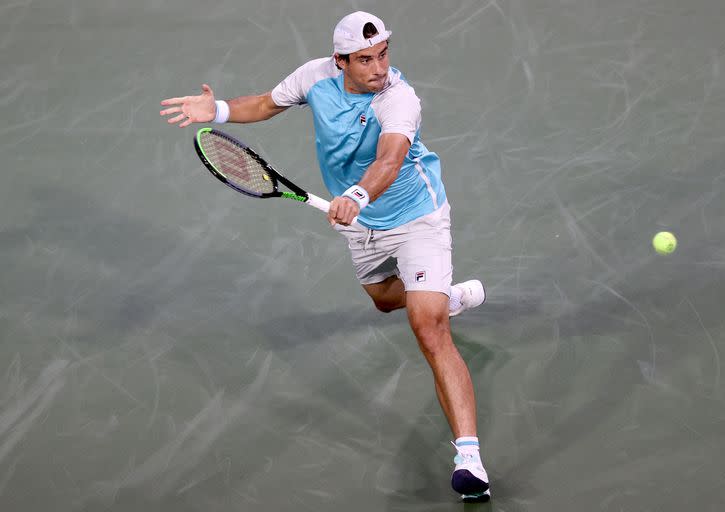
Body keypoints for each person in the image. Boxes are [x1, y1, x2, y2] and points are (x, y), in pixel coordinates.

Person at [160, 11, 490, 502]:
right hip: (360, 223)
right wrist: (221, 111)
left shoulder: (399, 98)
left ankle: (469, 458)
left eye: (383, 55)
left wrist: (356, 196)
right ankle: (447, 295)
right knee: (382, 299)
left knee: (428, 328)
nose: (379, 67)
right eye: (365, 59)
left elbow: (391, 158)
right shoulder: (315, 77)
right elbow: (268, 104)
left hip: (414, 216)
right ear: (340, 61)